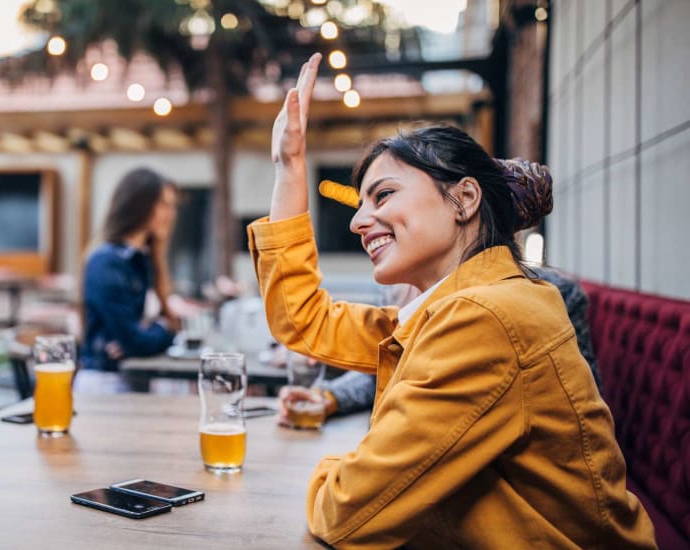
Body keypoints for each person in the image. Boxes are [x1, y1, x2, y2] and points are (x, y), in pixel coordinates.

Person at [250, 53, 655, 548]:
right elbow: (305, 320)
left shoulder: (485, 318)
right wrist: (289, 167)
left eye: (383, 195)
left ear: (464, 199)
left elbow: (345, 512)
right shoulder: (460, 306)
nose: (358, 222)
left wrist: (347, 463)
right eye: (361, 205)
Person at [283, 268, 603, 421]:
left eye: (387, 195)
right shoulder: (398, 282)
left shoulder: (550, 293)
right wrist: (329, 397)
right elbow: (386, 362)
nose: (362, 221)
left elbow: (579, 405)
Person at [78, 167, 179, 393]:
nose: (170, 214)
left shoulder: (141, 260)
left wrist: (145, 333)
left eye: (172, 206)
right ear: (138, 204)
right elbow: (135, 341)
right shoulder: (106, 262)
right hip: (104, 384)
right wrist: (165, 328)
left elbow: (133, 339)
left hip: (127, 379)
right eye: (164, 204)